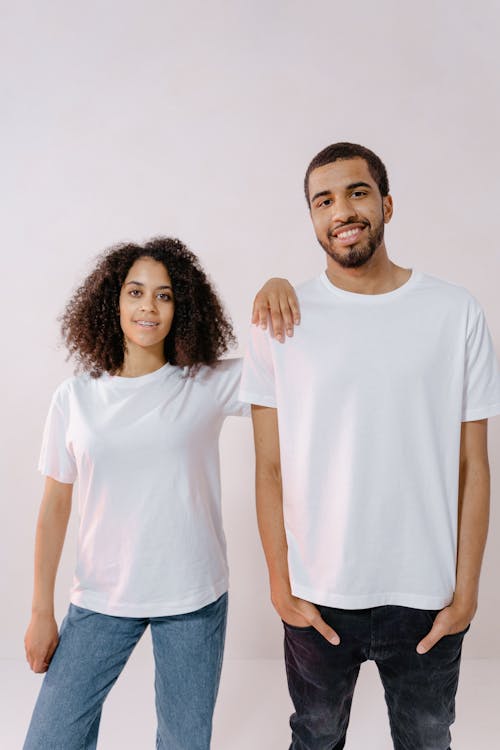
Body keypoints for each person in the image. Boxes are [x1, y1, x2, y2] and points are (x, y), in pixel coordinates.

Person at [241, 142, 500, 750]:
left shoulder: (454, 311)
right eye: (323, 200)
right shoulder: (279, 318)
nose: (342, 211)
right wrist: (279, 584)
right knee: (314, 738)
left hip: (425, 598)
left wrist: (466, 591)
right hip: (318, 594)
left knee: (427, 743)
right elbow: (269, 468)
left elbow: (474, 466)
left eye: (356, 192)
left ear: (385, 203)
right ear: (312, 219)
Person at [23, 236, 297, 750]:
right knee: (49, 740)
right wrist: (41, 610)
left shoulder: (205, 383)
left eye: (164, 295)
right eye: (135, 292)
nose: (148, 305)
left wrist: (277, 289)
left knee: (184, 743)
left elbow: (289, 366)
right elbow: (54, 508)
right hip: (102, 598)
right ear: (113, 301)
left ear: (182, 308)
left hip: (193, 597)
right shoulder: (76, 397)